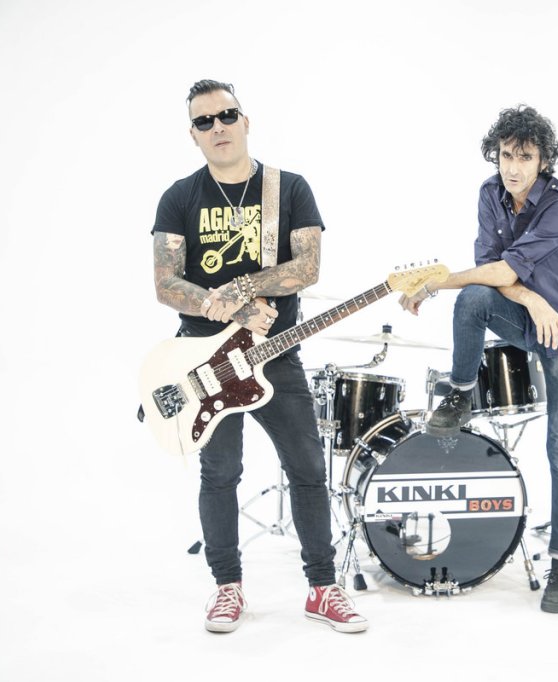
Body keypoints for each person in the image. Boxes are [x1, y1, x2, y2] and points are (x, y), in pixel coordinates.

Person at [151, 79, 367, 634]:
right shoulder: (179, 197)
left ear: (246, 121)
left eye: (226, 115)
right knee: (220, 472)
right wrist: (229, 308)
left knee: (307, 469)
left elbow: (307, 267)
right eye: (204, 121)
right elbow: (166, 283)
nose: (218, 127)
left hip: (276, 354)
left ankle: (323, 588)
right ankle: (227, 587)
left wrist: (244, 288)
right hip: (202, 363)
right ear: (193, 135)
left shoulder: (288, 188)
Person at [400, 105, 558, 614]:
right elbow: (493, 271)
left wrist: (437, 281)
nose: (512, 167)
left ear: (543, 161)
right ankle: (460, 395)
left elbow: (505, 268)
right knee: (473, 300)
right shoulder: (490, 194)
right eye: (506, 155)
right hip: (528, 316)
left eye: (524, 157)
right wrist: (532, 300)